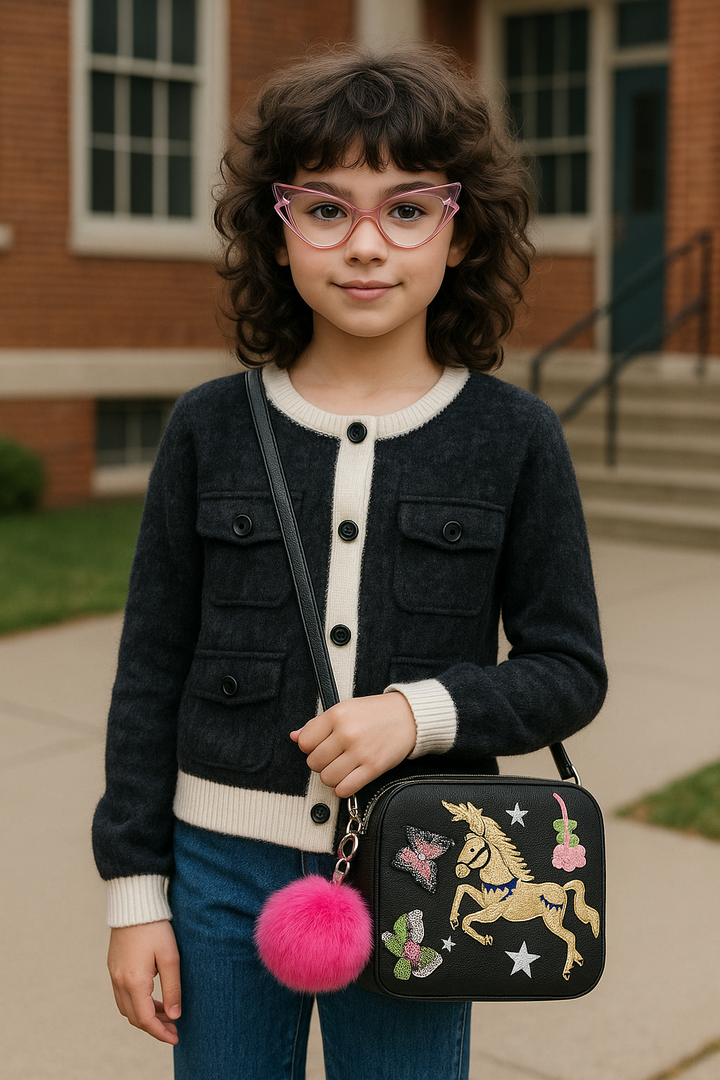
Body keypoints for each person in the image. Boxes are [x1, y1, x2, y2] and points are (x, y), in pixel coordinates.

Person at [92, 44, 607, 1080]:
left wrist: (418, 713)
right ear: (276, 235)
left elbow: (569, 669)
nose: (366, 244)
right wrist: (135, 895)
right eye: (326, 209)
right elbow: (151, 669)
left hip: (425, 871)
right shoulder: (207, 429)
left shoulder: (516, 439)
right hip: (217, 876)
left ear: (460, 232)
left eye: (407, 209)